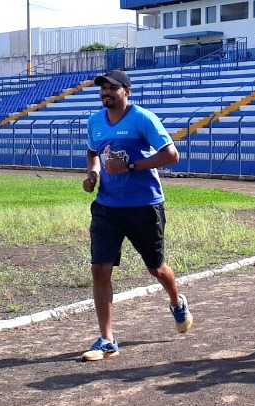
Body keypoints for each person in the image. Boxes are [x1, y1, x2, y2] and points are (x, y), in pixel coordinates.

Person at [81, 69, 193, 361]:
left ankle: (176, 301)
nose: (106, 92)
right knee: (100, 269)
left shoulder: (143, 118)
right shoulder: (95, 121)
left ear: (127, 91)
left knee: (156, 268)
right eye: (102, 88)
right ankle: (107, 340)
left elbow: (171, 155)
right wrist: (94, 173)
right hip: (107, 206)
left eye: (112, 88)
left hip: (144, 206)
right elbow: (93, 151)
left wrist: (131, 166)